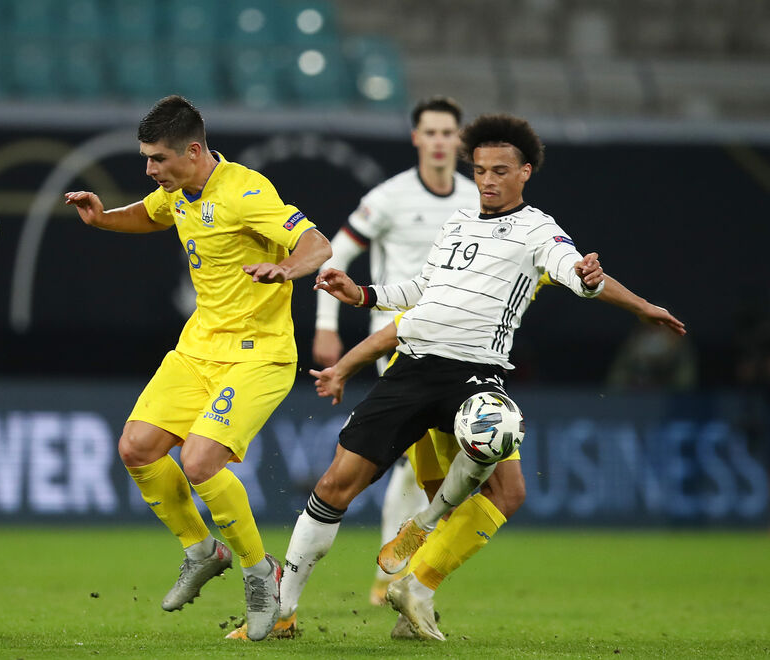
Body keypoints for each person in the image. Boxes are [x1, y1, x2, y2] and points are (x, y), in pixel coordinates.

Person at [264, 112, 647, 642]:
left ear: (525, 172)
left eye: (499, 170)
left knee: (505, 489)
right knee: (337, 483)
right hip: (413, 366)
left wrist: (591, 282)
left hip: (475, 378)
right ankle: (282, 612)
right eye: (482, 169)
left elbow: (569, 271)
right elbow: (423, 289)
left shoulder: (538, 228)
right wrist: (364, 295)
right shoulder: (459, 223)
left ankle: (416, 585)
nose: (487, 180)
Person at [63, 95, 331, 641]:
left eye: (157, 159)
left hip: (259, 353)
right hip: (197, 349)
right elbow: (151, 213)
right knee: (136, 447)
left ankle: (263, 574)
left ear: (193, 150)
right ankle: (201, 549)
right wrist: (104, 218)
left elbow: (316, 243)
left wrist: (285, 268)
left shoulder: (246, 191)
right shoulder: (179, 191)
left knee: (200, 460)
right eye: (146, 158)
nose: (149, 169)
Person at [310, 270, 686, 639]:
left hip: (475, 389)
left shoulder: (527, 241)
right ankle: (418, 569)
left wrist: (637, 304)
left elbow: (585, 279)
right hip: (420, 383)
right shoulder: (466, 243)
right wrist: (353, 328)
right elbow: (404, 320)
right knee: (461, 507)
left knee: (495, 498)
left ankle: (418, 573)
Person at [312, 97, 481, 606]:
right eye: (429, 132)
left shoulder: (476, 199)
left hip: (461, 345)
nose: (438, 141)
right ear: (416, 139)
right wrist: (326, 324)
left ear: (459, 140)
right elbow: (336, 253)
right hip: (400, 340)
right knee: (413, 460)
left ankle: (405, 568)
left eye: (447, 133)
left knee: (443, 463)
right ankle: (395, 577)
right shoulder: (388, 197)